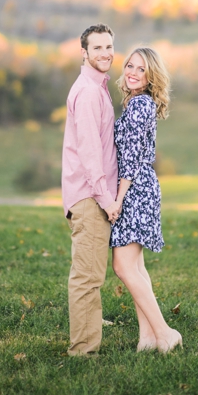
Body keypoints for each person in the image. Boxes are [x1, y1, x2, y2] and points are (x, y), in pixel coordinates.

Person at [109, 46, 182, 353]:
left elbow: (132, 158)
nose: (133, 72)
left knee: (123, 267)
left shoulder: (139, 106)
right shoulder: (138, 103)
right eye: (130, 66)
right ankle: (148, 337)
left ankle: (166, 332)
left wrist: (118, 199)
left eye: (141, 69)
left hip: (135, 189)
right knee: (136, 267)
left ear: (151, 76)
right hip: (142, 187)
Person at [62, 23, 121, 356]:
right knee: (87, 279)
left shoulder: (98, 88)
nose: (106, 53)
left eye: (109, 46)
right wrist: (107, 200)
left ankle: (86, 346)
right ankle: (82, 353)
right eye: (97, 48)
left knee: (92, 276)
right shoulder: (87, 92)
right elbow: (89, 154)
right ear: (83, 52)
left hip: (92, 195)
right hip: (89, 197)